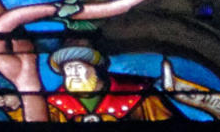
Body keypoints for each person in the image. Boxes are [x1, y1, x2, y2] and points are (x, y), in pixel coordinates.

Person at [46, 46, 180, 122]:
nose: (73, 73)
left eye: (79, 67)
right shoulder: (54, 103)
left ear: (95, 70)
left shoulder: (138, 93)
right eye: (68, 69)